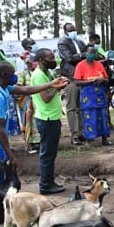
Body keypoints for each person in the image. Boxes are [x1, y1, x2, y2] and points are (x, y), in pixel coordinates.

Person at [0, 61, 68, 186]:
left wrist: (51, 84)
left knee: (5, 181)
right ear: (4, 75)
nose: (15, 76)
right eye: (12, 73)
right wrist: (11, 156)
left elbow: (26, 89)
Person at [30, 49, 70, 194]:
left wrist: (58, 85)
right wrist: (58, 88)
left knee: (50, 153)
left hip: (52, 117)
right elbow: (46, 98)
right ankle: (45, 185)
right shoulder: (39, 76)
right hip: (46, 119)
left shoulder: (47, 73)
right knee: (47, 154)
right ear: (41, 59)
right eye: (50, 58)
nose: (53, 61)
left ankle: (49, 182)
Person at [74, 46, 112, 146]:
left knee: (103, 116)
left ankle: (105, 139)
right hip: (88, 95)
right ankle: (89, 139)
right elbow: (77, 82)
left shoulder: (99, 65)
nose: (93, 55)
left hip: (100, 94)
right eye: (91, 52)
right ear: (86, 53)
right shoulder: (80, 66)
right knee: (89, 117)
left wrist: (102, 80)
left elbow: (107, 79)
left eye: (95, 53)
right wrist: (90, 81)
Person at [57, 23, 88, 145]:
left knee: (80, 107)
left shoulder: (79, 41)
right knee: (72, 107)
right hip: (71, 76)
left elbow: (87, 52)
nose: (73, 32)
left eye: (74, 29)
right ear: (65, 32)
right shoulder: (62, 42)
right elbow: (69, 58)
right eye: (70, 30)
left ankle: (81, 133)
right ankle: (74, 135)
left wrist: (84, 54)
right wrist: (82, 55)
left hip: (82, 77)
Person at [16, 56, 40, 154]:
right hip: (27, 103)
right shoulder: (22, 74)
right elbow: (18, 88)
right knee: (28, 122)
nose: (32, 64)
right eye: (30, 62)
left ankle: (39, 142)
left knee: (38, 122)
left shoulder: (39, 73)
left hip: (38, 102)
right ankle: (31, 144)